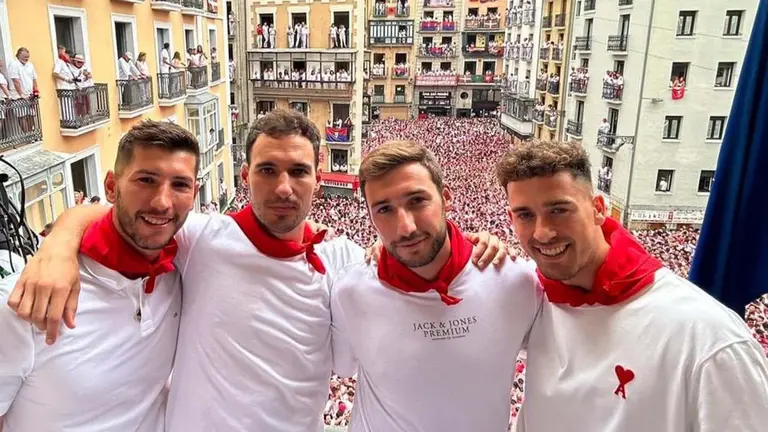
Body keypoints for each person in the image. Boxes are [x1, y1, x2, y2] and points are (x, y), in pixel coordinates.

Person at [6, 110, 505, 431]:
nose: (283, 188)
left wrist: (477, 247)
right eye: (267, 170)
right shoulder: (202, 238)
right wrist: (59, 245)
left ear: (318, 176)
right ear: (245, 176)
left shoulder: (342, 260)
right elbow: (132, 216)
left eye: (298, 171)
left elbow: (400, 287)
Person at [495, 140, 768, 431]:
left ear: (599, 209)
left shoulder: (708, 336)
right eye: (525, 215)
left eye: (559, 210)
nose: (543, 232)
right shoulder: (530, 298)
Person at [0, 120, 200, 430]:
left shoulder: (181, 268)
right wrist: (61, 240)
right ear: (110, 187)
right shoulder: (24, 299)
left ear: (194, 193)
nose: (162, 202)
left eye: (180, 184)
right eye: (146, 180)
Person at [330, 141, 542, 431]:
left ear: (446, 198)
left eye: (417, 201)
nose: (405, 227)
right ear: (370, 217)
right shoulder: (350, 292)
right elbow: (341, 366)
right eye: (384, 209)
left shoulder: (515, 282)